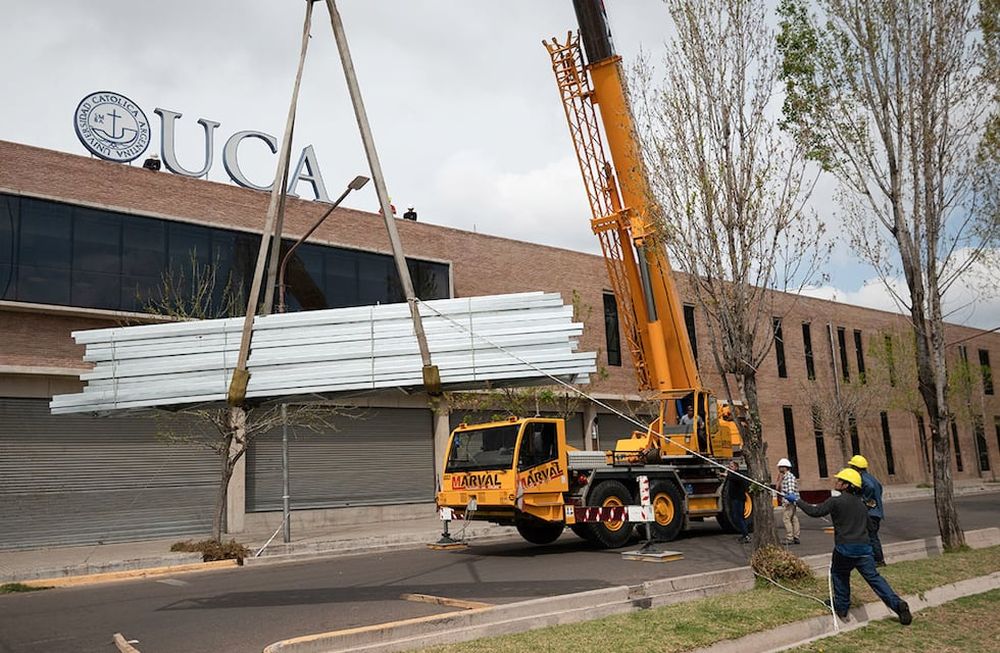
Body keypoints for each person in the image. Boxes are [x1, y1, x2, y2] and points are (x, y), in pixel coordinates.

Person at [785, 468, 911, 624]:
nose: (836, 482)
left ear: (846, 485)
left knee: (839, 574)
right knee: (875, 579)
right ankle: (898, 605)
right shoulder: (862, 505)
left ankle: (842, 608)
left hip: (845, 549)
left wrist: (796, 500)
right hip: (865, 550)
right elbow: (871, 528)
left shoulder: (835, 501)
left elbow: (814, 512)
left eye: (839, 481)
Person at [849, 454, 886, 566]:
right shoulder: (871, 477)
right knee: (871, 536)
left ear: (856, 468)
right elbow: (879, 487)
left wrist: (865, 499)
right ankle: (874, 559)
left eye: (852, 467)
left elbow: (869, 487)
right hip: (876, 512)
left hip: (871, 513)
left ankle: (878, 560)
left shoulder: (863, 479)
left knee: (871, 537)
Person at [726, 460, 751, 543]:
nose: (730, 468)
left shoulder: (738, 475)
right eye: (729, 466)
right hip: (734, 499)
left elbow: (733, 478)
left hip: (739, 499)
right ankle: (744, 534)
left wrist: (726, 474)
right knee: (737, 517)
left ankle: (746, 535)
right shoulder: (732, 475)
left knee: (739, 517)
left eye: (732, 466)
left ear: (736, 468)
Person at [776, 458, 800, 545]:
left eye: (780, 467)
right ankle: (796, 536)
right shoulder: (785, 476)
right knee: (793, 518)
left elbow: (790, 491)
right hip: (792, 501)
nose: (778, 469)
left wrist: (788, 501)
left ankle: (790, 538)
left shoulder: (789, 477)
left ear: (785, 467)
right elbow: (778, 487)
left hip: (789, 501)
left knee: (786, 518)